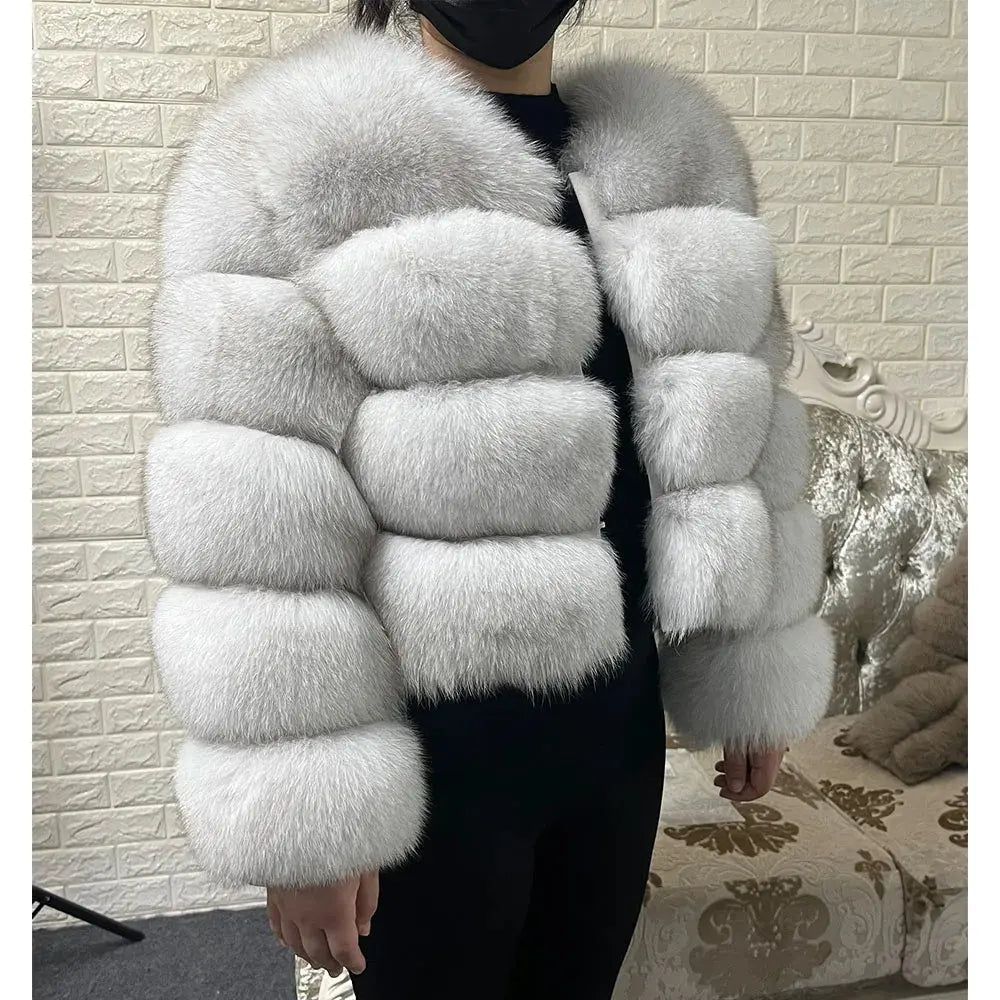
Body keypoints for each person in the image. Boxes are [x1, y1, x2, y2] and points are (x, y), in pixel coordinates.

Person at [142, 2, 835, 998]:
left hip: (616, 730)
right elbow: (249, 513)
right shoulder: (296, 157)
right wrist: (307, 816)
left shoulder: (679, 165)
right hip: (437, 751)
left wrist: (750, 670)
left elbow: (748, 436)